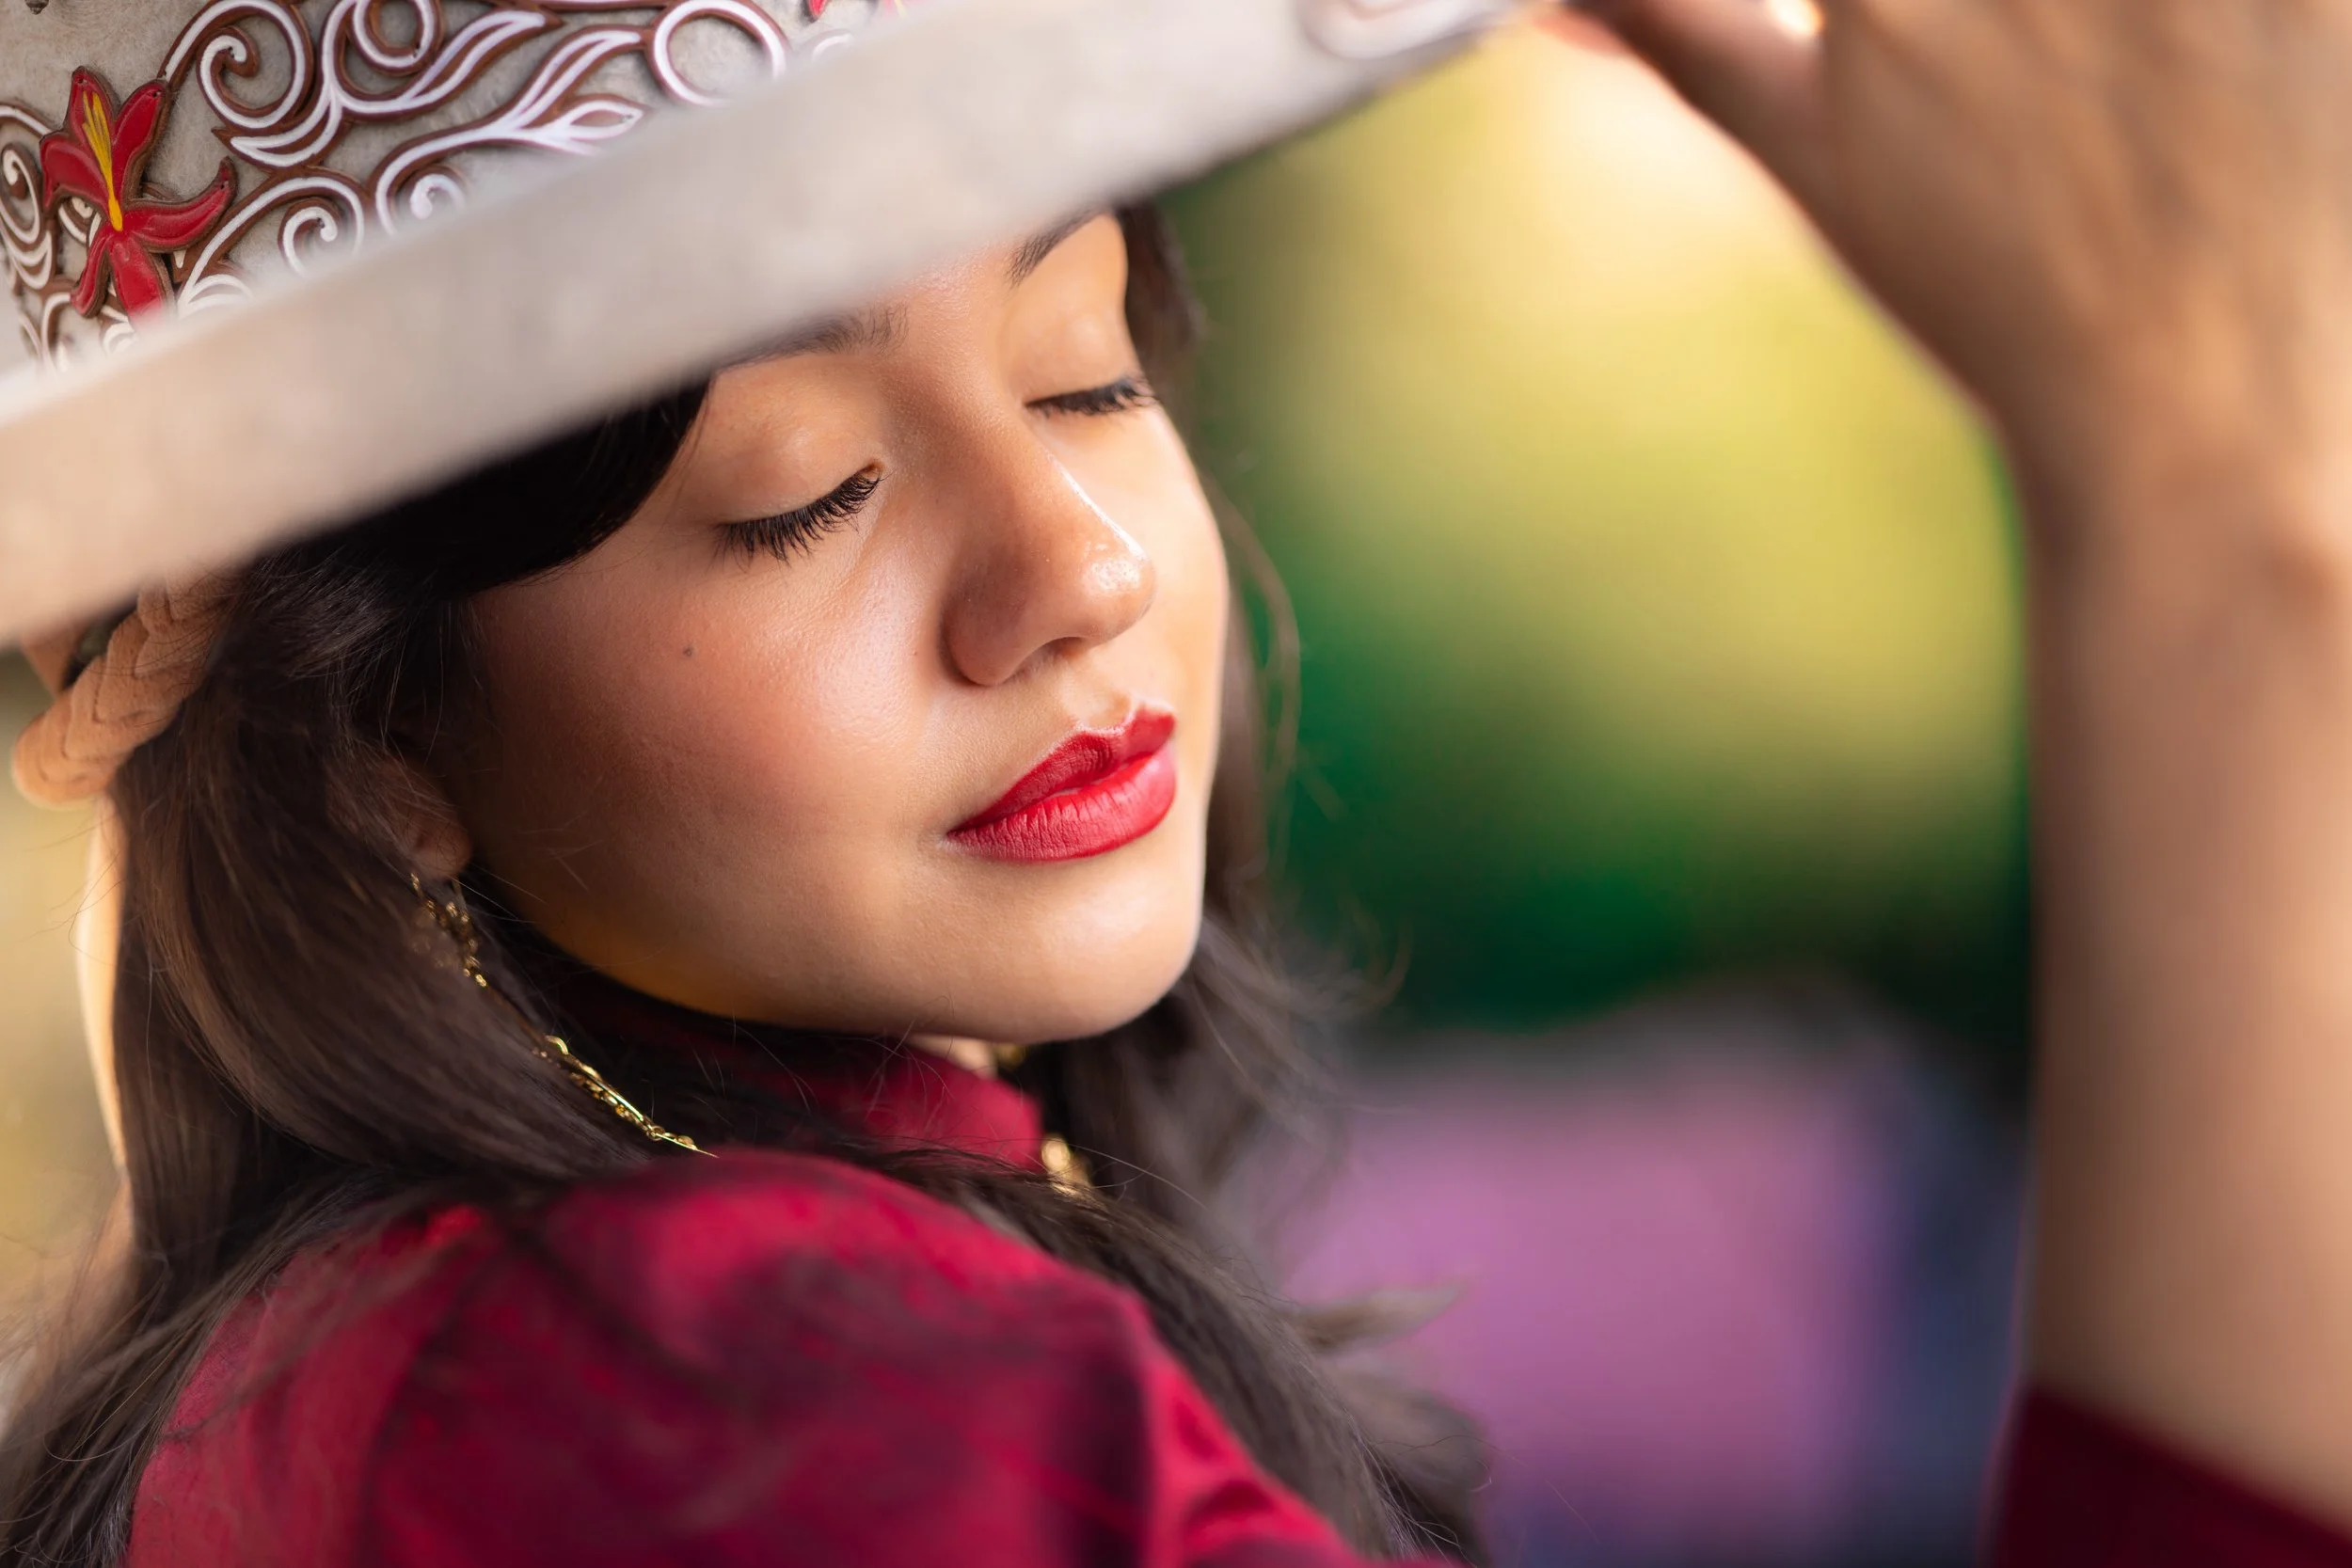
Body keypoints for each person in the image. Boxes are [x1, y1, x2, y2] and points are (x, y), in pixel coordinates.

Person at [5, 0, 2352, 1561]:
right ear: (379, 737)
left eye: (1080, 361)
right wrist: (2211, 528)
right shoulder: (725, 1392)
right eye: (794, 489)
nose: (1074, 560)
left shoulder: (472, 1334)